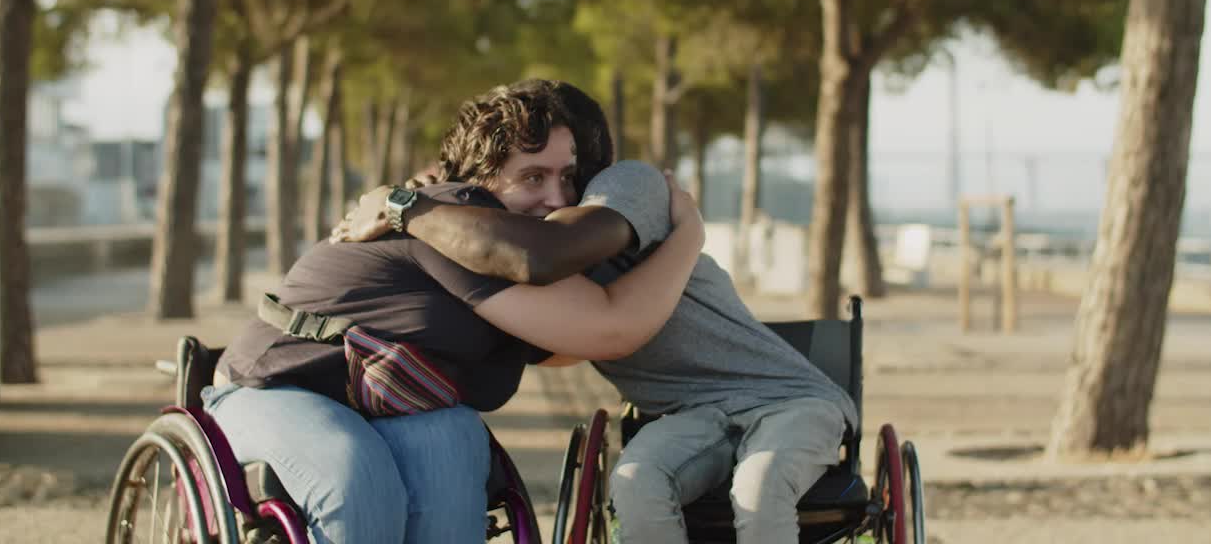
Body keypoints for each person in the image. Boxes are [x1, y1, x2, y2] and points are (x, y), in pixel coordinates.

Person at [337, 81, 859, 544]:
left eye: (567, 166)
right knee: (635, 487)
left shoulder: (628, 186)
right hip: (689, 415)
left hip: (789, 400)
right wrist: (427, 204)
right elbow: (550, 344)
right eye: (534, 171)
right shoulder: (501, 240)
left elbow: (542, 249)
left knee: (759, 488)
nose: (558, 189)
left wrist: (412, 204)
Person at [206, 80, 705, 544]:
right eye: (533, 177)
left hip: (392, 398)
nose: (557, 198)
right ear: (478, 181)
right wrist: (690, 235)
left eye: (568, 178)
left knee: (453, 446)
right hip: (276, 384)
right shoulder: (460, 226)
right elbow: (610, 330)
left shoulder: (500, 242)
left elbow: (568, 342)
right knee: (355, 471)